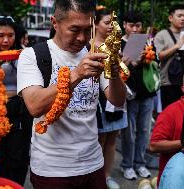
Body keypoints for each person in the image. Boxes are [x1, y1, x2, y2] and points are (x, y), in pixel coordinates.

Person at [17, 0, 126, 188]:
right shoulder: (32, 55)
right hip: (52, 169)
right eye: (74, 30)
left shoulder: (95, 52)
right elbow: (34, 106)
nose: (82, 38)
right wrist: (77, 73)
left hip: (93, 163)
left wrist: (114, 73)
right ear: (55, 23)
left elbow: (117, 99)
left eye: (88, 29)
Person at [0, 15, 33, 185]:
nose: (6, 40)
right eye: (0, 35)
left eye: (10, 35)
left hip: (18, 114)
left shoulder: (25, 55)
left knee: (17, 157)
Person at [120, 10, 156, 180]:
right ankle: (127, 165)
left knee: (144, 130)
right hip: (130, 93)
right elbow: (120, 68)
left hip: (147, 92)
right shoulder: (118, 44)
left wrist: (147, 58)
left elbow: (154, 61)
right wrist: (131, 60)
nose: (135, 29)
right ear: (124, 25)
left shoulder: (147, 41)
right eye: (131, 25)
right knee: (129, 132)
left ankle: (140, 163)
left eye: (138, 25)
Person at [94, 7, 127, 189]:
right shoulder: (89, 45)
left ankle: (106, 176)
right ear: (96, 23)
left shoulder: (116, 44)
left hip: (116, 95)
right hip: (99, 99)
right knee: (100, 140)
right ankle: (97, 176)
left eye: (113, 23)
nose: (111, 26)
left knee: (112, 139)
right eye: (107, 22)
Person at [154, 4, 184, 110]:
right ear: (171, 18)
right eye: (179, 16)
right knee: (171, 112)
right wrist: (176, 46)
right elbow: (158, 56)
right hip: (168, 82)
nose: (183, 18)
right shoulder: (162, 35)